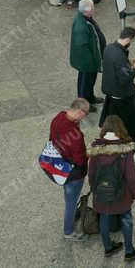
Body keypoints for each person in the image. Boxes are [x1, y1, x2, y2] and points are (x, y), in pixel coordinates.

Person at [86, 116, 135, 262]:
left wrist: (94, 188)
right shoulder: (125, 149)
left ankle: (108, 247)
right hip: (121, 193)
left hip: (101, 192)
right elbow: (131, 176)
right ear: (120, 128)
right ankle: (129, 251)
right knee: (127, 219)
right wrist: (134, 193)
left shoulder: (96, 149)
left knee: (104, 218)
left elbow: (91, 173)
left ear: (104, 129)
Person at [49, 98, 90, 240]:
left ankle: (72, 218)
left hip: (59, 166)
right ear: (79, 112)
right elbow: (80, 159)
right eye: (86, 113)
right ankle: (69, 231)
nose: (86, 116)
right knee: (71, 202)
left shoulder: (58, 118)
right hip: (74, 174)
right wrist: (88, 156)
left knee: (69, 197)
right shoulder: (76, 136)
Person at [99, 27, 135, 146]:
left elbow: (114, 68)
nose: (131, 44)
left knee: (114, 122)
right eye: (132, 41)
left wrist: (126, 64)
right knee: (132, 121)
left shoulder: (109, 48)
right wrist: (134, 69)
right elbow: (124, 79)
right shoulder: (119, 55)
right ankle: (130, 147)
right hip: (122, 96)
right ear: (129, 38)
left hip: (111, 93)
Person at [69, 0, 105, 110]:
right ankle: (83, 105)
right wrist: (92, 62)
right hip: (87, 62)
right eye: (92, 7)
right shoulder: (81, 26)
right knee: (85, 83)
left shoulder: (85, 18)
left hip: (90, 60)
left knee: (89, 81)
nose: (94, 9)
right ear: (87, 10)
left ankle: (90, 97)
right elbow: (82, 47)